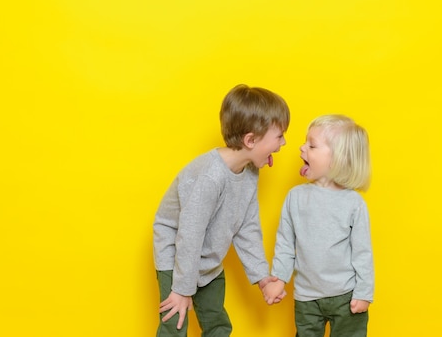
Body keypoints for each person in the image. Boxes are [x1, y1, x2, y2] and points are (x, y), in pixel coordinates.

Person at [153, 84, 290, 336]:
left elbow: (247, 226)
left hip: (208, 258)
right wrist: (182, 289)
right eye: (279, 136)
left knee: (217, 324)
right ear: (251, 140)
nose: (283, 143)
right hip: (178, 255)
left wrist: (261, 277)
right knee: (175, 323)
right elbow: (190, 234)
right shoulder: (210, 177)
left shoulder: (250, 171)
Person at [262, 114, 374, 337]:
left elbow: (363, 253)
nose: (302, 148)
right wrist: (278, 279)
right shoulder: (295, 197)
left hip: (347, 296)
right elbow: (285, 245)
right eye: (305, 142)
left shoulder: (354, 203)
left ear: (337, 158)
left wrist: (364, 293)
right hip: (307, 297)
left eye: (312, 145)